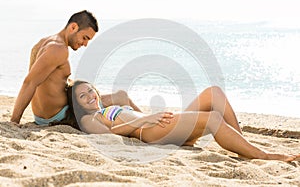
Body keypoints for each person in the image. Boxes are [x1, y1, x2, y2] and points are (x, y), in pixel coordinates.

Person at [59, 80, 299, 162]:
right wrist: (146, 120)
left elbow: (132, 111)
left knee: (213, 93)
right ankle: (262, 155)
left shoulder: (109, 103)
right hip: (149, 132)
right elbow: (114, 134)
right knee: (212, 119)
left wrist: (149, 115)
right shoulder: (91, 118)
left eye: (91, 90)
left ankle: (243, 144)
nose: (90, 96)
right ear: (78, 104)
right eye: (83, 96)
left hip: (156, 124)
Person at [10, 10, 140, 125]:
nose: (85, 44)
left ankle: (150, 123)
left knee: (98, 95)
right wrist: (14, 121)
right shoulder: (58, 49)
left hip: (45, 115)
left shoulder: (43, 42)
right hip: (61, 116)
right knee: (122, 97)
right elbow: (30, 82)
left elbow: (47, 81)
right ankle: (154, 125)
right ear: (73, 27)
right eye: (85, 38)